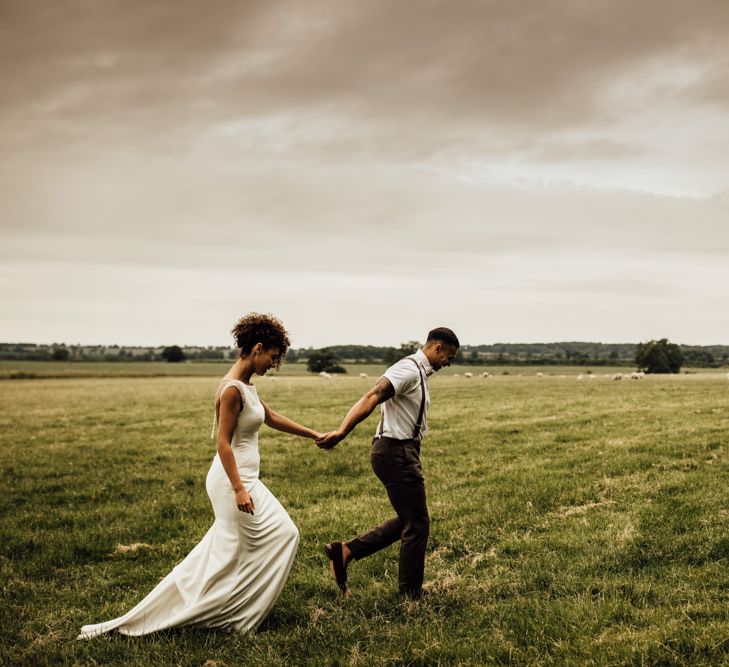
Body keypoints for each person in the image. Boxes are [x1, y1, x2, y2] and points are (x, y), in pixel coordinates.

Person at [78, 313, 322, 638]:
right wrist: (238, 489)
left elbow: (269, 415)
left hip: (245, 480)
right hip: (232, 482)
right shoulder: (231, 389)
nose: (274, 364)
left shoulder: (246, 385)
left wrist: (314, 435)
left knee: (250, 545)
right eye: (273, 357)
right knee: (277, 537)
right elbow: (223, 443)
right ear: (257, 348)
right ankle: (229, 615)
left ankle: (232, 611)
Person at [316, 327, 459, 598]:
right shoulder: (407, 369)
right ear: (436, 348)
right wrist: (341, 432)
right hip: (394, 451)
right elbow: (371, 396)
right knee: (416, 524)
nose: (448, 363)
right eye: (448, 356)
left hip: (402, 451)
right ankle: (410, 594)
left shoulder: (419, 373)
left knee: (411, 518)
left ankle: (345, 551)